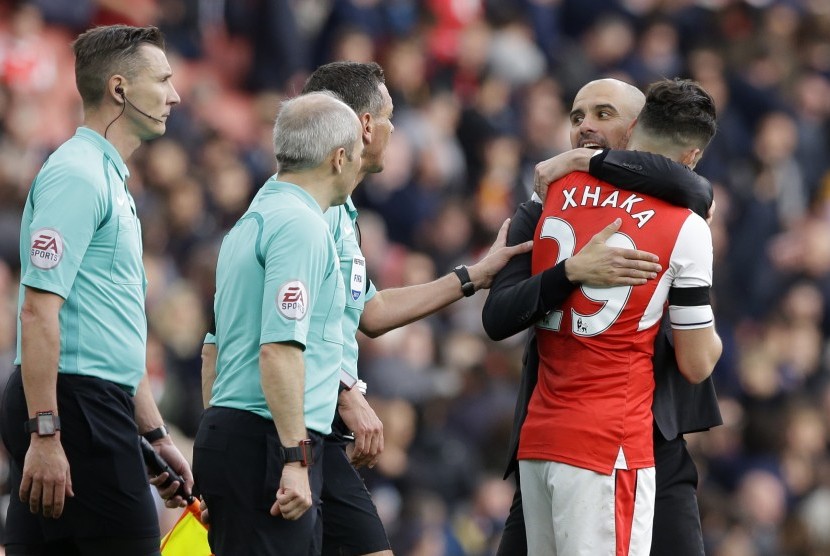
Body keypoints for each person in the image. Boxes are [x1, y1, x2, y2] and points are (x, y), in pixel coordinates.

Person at [200, 62, 665, 556]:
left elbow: (367, 312)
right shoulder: (300, 223)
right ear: (361, 129)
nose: (397, 130)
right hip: (275, 434)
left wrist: (472, 277)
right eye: (389, 116)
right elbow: (276, 345)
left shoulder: (309, 213)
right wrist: (325, 409)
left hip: (293, 434)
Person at [483, 78, 723, 555]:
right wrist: (569, 272)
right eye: (576, 117)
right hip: (597, 435)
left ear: (636, 130)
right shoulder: (549, 201)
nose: (586, 127)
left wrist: (582, 162)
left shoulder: (558, 193)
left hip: (647, 434)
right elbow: (497, 317)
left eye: (603, 114)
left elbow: (692, 186)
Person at [0, 25, 192, 556]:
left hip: (85, 401)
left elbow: (115, 332)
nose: (175, 94)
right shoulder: (78, 175)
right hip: (70, 404)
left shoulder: (107, 177)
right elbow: (38, 311)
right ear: (119, 89)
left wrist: (154, 434)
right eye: (163, 79)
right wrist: (46, 431)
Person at [192, 91, 364, 556]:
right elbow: (279, 350)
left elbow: (213, 352)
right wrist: (294, 458)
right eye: (359, 154)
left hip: (231, 433)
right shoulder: (301, 226)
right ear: (339, 157)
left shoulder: (250, 221)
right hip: (268, 442)